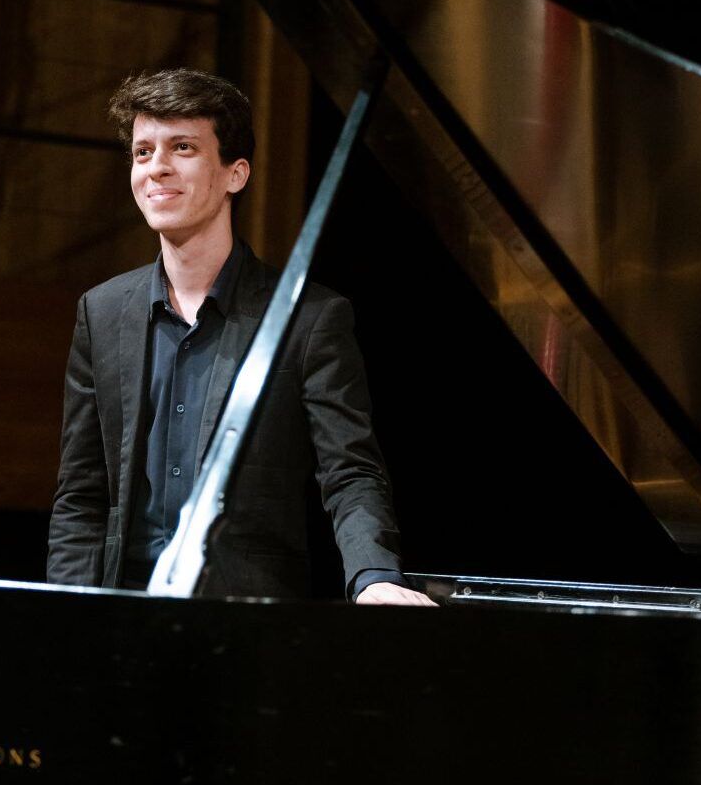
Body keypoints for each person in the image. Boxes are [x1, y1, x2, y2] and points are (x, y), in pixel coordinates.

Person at [46, 69, 434, 605]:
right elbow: (82, 493)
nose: (156, 167)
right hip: (123, 614)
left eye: (182, 147)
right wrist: (64, 612)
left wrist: (375, 576)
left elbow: (349, 471)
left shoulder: (309, 317)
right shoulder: (102, 311)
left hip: (246, 617)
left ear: (236, 173)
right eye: (142, 152)